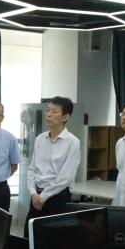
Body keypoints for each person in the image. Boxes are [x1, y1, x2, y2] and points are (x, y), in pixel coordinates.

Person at [25, 96, 81, 230]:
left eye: (54, 111)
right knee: (30, 235)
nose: (49, 114)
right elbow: (32, 169)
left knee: (54, 238)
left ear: (65, 117)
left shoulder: (72, 142)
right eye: (48, 110)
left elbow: (66, 177)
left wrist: (43, 197)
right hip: (36, 196)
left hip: (57, 198)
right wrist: (33, 193)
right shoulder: (40, 139)